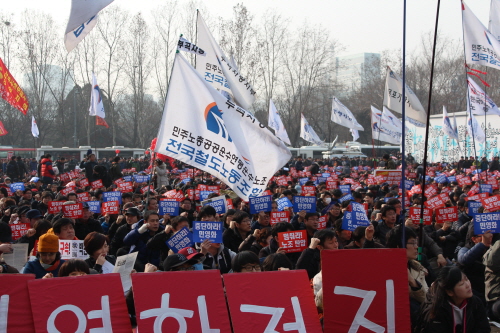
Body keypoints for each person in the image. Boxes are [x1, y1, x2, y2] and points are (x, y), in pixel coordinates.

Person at [415, 266, 490, 332]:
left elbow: (483, 328)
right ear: (450, 292)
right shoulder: (435, 309)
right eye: (461, 284)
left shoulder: (475, 302)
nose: (468, 285)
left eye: (466, 279)